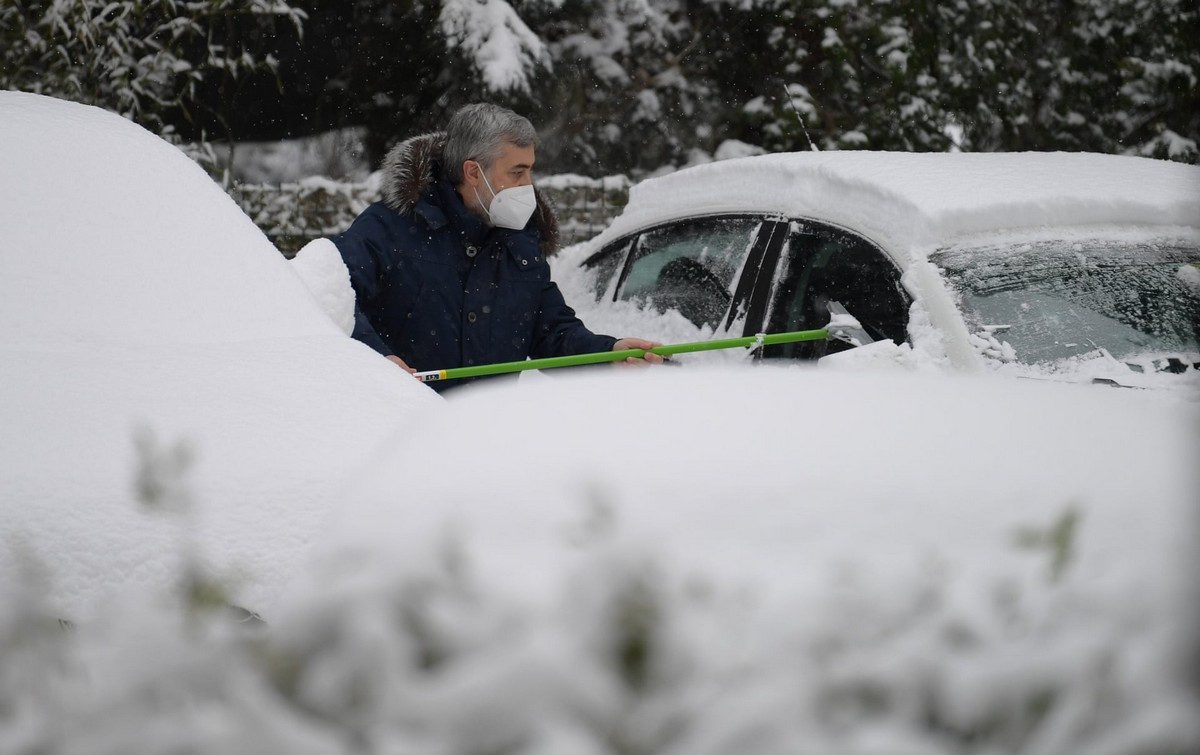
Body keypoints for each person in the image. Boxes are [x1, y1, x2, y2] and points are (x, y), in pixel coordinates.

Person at [332, 103, 662, 392]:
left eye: (530, 171)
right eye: (517, 172)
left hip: (487, 435)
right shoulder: (388, 229)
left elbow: (551, 333)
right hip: (404, 436)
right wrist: (378, 360)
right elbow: (331, 298)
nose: (527, 186)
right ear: (473, 172)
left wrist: (609, 354)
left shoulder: (522, 241)